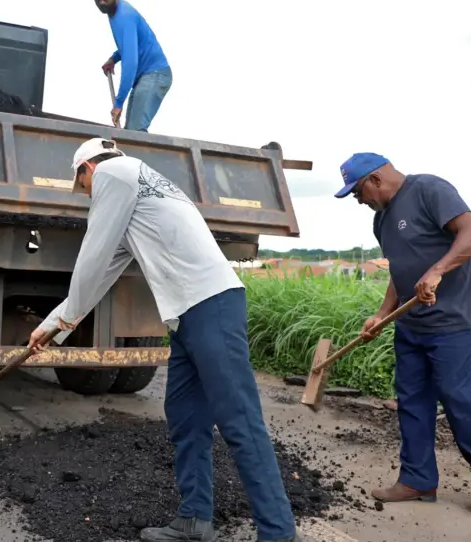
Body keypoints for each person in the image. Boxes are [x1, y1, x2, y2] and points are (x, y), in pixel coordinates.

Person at [28, 138, 304, 542]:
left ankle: (279, 532)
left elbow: (92, 254)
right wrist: (54, 325)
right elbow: (105, 270)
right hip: (187, 316)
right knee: (186, 419)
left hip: (212, 306)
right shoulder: (140, 183)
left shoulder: (113, 174)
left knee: (239, 421)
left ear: (86, 168)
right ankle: (195, 521)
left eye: (82, 187)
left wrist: (64, 319)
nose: (88, 195)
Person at [335, 152, 471, 514]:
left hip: (455, 321)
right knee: (411, 401)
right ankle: (418, 479)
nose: (359, 201)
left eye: (357, 192)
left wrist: (438, 271)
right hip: (411, 325)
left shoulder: (429, 189)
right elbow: (400, 271)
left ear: (375, 180)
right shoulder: (381, 221)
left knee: (457, 397)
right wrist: (382, 314)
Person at [89, 0, 172, 132]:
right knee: (130, 132)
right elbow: (131, 45)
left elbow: (131, 63)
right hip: (146, 76)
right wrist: (114, 59)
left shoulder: (124, 16)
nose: (101, 1)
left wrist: (119, 103)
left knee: (135, 132)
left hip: (155, 74)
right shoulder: (113, 12)